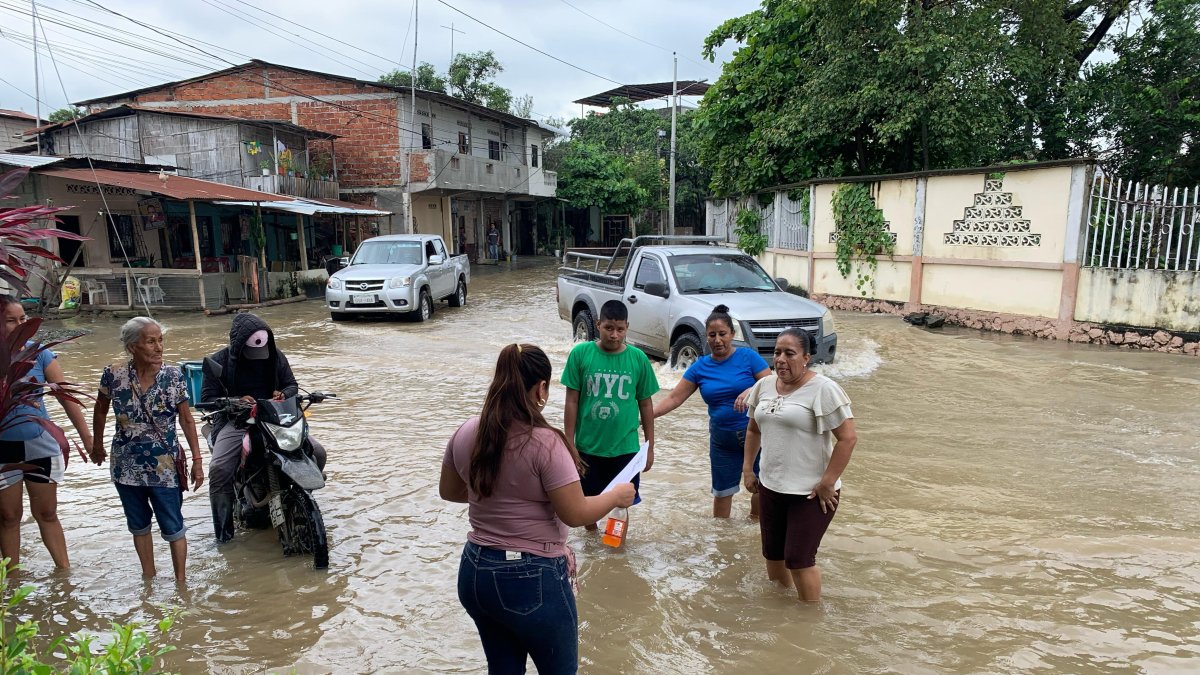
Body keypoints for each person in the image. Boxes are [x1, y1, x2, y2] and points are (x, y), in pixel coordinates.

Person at [441, 343, 635, 673]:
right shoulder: (546, 443)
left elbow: (450, 491)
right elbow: (574, 513)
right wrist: (615, 496)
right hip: (530, 575)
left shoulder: (468, 431)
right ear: (541, 388)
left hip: (475, 570)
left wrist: (499, 499)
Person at [742, 328, 857, 602]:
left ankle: (809, 620)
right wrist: (748, 468)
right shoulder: (764, 386)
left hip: (811, 493)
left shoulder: (823, 389)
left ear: (806, 357)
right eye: (777, 352)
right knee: (773, 555)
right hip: (770, 487)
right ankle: (783, 615)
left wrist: (828, 481)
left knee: (799, 559)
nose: (780, 359)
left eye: (789, 353)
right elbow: (753, 430)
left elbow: (848, 439)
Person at [91, 317, 204, 581]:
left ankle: (181, 583)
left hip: (164, 467)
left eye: (160, 340)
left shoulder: (173, 375)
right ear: (132, 347)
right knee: (138, 526)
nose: (158, 348)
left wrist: (197, 460)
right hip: (126, 467)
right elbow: (100, 408)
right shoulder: (113, 374)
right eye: (150, 342)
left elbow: (187, 419)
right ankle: (148, 579)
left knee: (173, 525)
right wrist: (96, 443)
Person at [201, 313, 326, 543]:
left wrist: (283, 394)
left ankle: (298, 498)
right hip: (235, 421)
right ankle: (223, 535)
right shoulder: (219, 361)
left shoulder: (275, 356)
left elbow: (291, 385)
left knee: (317, 452)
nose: (258, 357)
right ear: (238, 347)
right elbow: (208, 398)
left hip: (274, 418)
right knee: (219, 469)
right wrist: (237, 401)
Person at [0, 295, 93, 569]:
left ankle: (64, 576)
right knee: (7, 516)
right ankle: (11, 583)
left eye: (23, 319)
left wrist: (87, 438)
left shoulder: (39, 352)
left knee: (47, 513)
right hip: (3, 448)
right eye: (10, 321)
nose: (20, 325)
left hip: (40, 442)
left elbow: (65, 396)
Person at [653, 304, 770, 519]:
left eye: (722, 334)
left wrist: (751, 390)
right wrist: (647, 415)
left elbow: (772, 384)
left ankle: (755, 536)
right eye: (712, 335)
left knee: (760, 487)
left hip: (756, 436)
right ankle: (723, 543)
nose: (717, 340)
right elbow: (674, 397)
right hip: (722, 441)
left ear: (732, 334)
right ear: (706, 337)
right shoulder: (700, 367)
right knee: (722, 494)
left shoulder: (748, 357)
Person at [562, 300, 658, 531]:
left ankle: (616, 553)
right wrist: (569, 443)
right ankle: (593, 545)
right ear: (598, 324)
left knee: (621, 505)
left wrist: (650, 447)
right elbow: (571, 401)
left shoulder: (638, 359)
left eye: (620, 329)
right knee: (587, 502)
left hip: (625, 449)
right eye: (609, 328)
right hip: (587, 447)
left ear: (627, 327)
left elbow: (646, 405)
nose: (614, 335)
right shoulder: (580, 354)